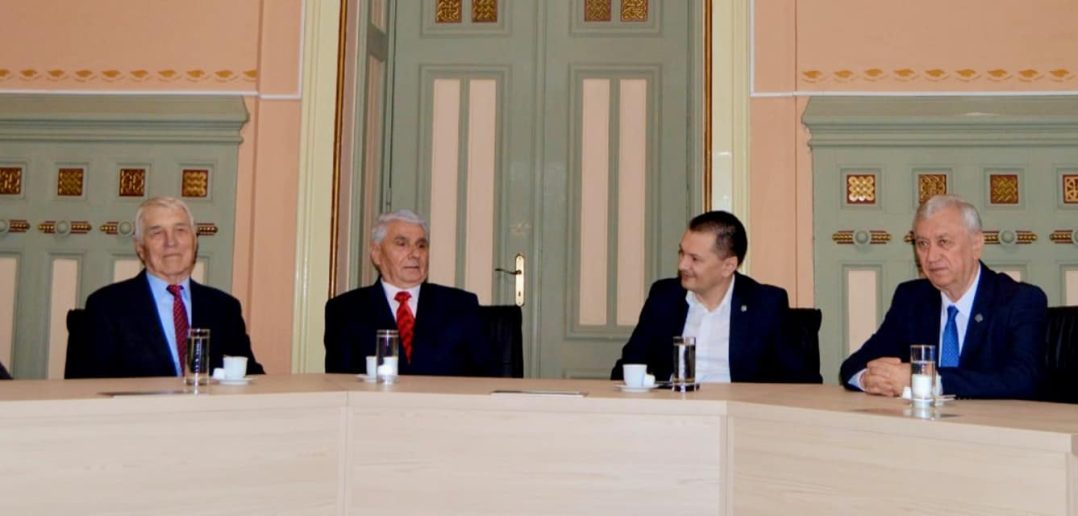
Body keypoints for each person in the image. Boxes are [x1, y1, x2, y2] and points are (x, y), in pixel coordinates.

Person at [839, 195, 1047, 399]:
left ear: (976, 245)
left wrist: (927, 380)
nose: (931, 257)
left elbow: (1023, 380)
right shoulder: (911, 299)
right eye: (922, 244)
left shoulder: (1019, 300)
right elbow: (853, 365)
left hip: (995, 421)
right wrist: (868, 379)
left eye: (943, 242)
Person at [612, 210, 818, 383]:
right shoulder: (664, 297)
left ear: (728, 266)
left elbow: (801, 381)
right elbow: (629, 366)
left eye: (694, 259)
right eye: (681, 253)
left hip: (738, 413)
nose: (682, 265)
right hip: (673, 411)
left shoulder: (766, 304)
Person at [73, 197, 264, 378]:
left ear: (195, 241)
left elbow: (249, 376)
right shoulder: (107, 307)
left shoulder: (224, 308)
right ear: (139, 247)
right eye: (157, 233)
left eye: (180, 230)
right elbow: (88, 385)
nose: (171, 242)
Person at [324, 209, 492, 376]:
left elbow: (486, 377)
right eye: (402, 244)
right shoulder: (345, 310)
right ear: (377, 254)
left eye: (421, 245)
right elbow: (339, 381)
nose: (415, 254)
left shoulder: (461, 305)